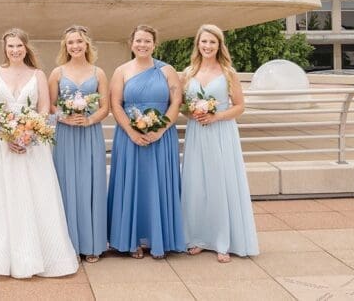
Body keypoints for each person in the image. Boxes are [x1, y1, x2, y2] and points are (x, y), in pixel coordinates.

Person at [0, 28, 78, 278]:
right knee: (0, 197)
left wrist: (29, 133)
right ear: (5, 49)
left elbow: (44, 107)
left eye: (19, 46)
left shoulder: (38, 74)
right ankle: (1, 254)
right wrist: (8, 133)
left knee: (33, 196)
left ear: (26, 47)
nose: (15, 50)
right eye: (10, 46)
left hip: (32, 145)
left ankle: (35, 254)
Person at [181, 24, 259, 262]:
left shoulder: (228, 72)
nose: (207, 46)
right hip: (196, 133)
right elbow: (184, 107)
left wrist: (215, 116)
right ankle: (197, 237)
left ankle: (222, 240)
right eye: (203, 42)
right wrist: (192, 113)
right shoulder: (189, 72)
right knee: (196, 184)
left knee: (220, 183)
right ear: (198, 44)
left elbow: (239, 106)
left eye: (212, 42)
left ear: (219, 45)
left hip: (221, 133)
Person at [106, 25, 185, 259]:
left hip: (162, 137)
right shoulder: (121, 71)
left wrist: (160, 129)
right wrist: (131, 132)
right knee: (133, 184)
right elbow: (115, 104)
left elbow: (176, 101)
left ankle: (160, 238)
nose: (142, 45)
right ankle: (132, 240)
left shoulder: (167, 70)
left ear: (154, 44)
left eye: (147, 41)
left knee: (158, 184)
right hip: (130, 137)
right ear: (131, 44)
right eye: (138, 41)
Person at [48, 25, 109, 263]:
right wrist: (64, 117)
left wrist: (90, 119)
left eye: (79, 42)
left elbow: (106, 107)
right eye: (70, 42)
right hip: (65, 134)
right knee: (66, 183)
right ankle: (69, 243)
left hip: (90, 133)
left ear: (86, 44)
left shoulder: (98, 73)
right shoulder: (57, 73)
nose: (75, 46)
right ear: (66, 46)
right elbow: (50, 106)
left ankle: (92, 243)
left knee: (90, 183)